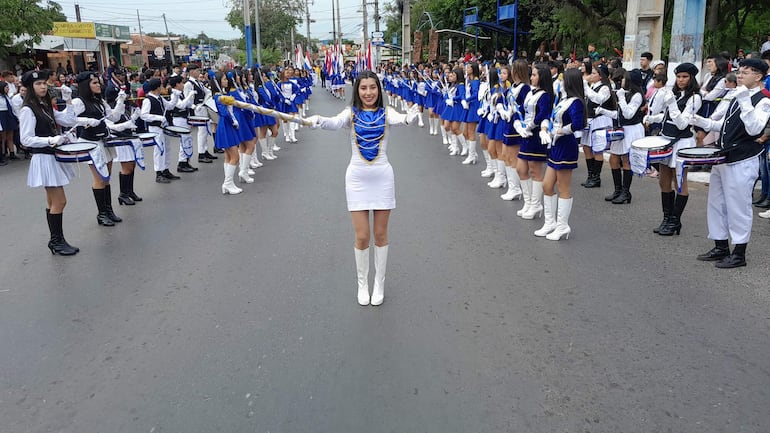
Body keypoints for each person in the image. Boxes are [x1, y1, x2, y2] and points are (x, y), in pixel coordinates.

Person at [305, 70, 421, 306]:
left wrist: (410, 116)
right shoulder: (351, 114)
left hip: (383, 178)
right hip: (357, 180)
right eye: (363, 88)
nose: (368, 92)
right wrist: (317, 120)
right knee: (362, 236)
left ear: (379, 90)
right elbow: (334, 123)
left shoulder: (387, 113)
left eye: (372, 87)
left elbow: (402, 119)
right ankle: (362, 284)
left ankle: (379, 282)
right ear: (357, 91)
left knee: (380, 234)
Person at [690, 59, 770, 268]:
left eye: (745, 72)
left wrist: (743, 98)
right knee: (717, 203)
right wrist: (700, 121)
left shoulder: (764, 100)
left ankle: (739, 252)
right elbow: (723, 125)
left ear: (759, 76)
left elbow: (754, 129)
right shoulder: (738, 95)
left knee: (738, 206)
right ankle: (720, 245)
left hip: (743, 158)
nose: (740, 76)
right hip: (723, 156)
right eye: (739, 71)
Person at [18, 70, 79, 255]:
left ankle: (56, 241)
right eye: (38, 84)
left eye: (44, 83)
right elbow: (26, 139)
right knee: (60, 201)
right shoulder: (27, 109)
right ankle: (56, 241)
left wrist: (68, 100)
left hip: (52, 156)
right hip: (44, 158)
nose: (43, 86)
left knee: (53, 201)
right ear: (30, 87)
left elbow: (69, 120)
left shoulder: (45, 106)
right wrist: (51, 140)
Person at [645, 63, 701, 236]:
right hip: (667, 139)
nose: (681, 80)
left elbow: (682, 122)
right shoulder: (674, 94)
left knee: (679, 182)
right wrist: (653, 115)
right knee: (664, 181)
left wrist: (671, 103)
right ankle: (667, 218)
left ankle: (675, 221)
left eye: (685, 76)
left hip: (682, 141)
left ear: (691, 78)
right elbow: (665, 115)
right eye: (678, 76)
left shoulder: (695, 98)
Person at [533, 68, 585, 240]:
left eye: (563, 80)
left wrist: (560, 131)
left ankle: (563, 226)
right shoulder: (562, 99)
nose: (560, 83)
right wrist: (544, 128)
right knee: (547, 185)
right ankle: (550, 222)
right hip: (555, 146)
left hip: (566, 146)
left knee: (563, 187)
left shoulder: (576, 102)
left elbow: (578, 124)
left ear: (569, 82)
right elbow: (550, 115)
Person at [598, 69, 646, 204]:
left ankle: (626, 192)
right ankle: (617, 190)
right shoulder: (625, 93)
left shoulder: (637, 95)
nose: (622, 80)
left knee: (626, 159)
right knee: (614, 158)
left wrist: (621, 98)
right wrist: (603, 111)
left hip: (632, 130)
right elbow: (619, 114)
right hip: (622, 128)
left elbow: (628, 114)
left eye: (624, 78)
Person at [513, 63, 554, 220]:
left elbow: (544, 113)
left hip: (537, 134)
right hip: (525, 133)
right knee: (521, 168)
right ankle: (529, 202)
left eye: (535, 75)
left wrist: (530, 125)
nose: (531, 77)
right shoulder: (530, 92)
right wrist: (518, 123)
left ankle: (536, 204)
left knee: (535, 170)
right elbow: (521, 109)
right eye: (532, 74)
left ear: (542, 77)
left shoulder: (544, 95)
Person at [581, 62, 616, 188]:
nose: (591, 75)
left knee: (597, 149)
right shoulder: (592, 86)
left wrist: (585, 87)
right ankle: (591, 175)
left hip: (600, 120)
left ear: (601, 76)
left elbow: (598, 99)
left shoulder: (605, 88)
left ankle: (596, 177)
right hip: (590, 119)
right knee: (586, 147)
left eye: (594, 73)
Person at [140, 78, 181, 183]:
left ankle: (166, 169)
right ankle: (158, 172)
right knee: (159, 150)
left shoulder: (160, 98)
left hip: (163, 127)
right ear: (157, 87)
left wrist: (175, 96)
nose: (162, 88)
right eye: (161, 86)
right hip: (155, 128)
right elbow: (144, 115)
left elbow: (170, 106)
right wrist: (158, 118)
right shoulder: (148, 100)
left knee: (167, 148)